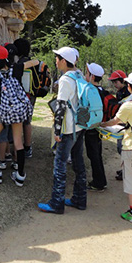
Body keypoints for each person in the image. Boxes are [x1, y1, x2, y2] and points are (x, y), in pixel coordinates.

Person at [37, 46, 88, 214]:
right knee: (78, 163)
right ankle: (80, 199)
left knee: (59, 164)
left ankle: (56, 203)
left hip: (68, 128)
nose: (56, 61)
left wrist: (57, 131)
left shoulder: (66, 79)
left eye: (58, 59)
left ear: (65, 61)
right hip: (80, 125)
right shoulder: (79, 74)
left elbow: (60, 107)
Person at [97, 71, 132, 224]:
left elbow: (115, 121)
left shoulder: (128, 105)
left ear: (129, 87)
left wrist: (102, 124)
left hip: (131, 146)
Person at [0, 45, 33, 186]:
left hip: (3, 112)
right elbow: (35, 62)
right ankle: (20, 175)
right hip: (18, 111)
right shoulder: (16, 70)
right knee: (18, 142)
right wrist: (20, 64)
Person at [85, 62, 109, 191]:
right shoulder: (102, 91)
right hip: (100, 126)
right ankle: (101, 180)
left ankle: (98, 182)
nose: (85, 75)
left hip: (91, 127)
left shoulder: (90, 90)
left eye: (87, 73)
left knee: (93, 154)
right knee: (97, 153)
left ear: (92, 76)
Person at [108, 69, 130, 182]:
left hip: (127, 125)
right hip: (120, 124)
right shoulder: (119, 93)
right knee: (120, 148)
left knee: (125, 149)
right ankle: (124, 169)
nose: (115, 85)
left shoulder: (128, 92)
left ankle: (127, 171)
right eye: (113, 83)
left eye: (116, 82)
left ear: (122, 81)